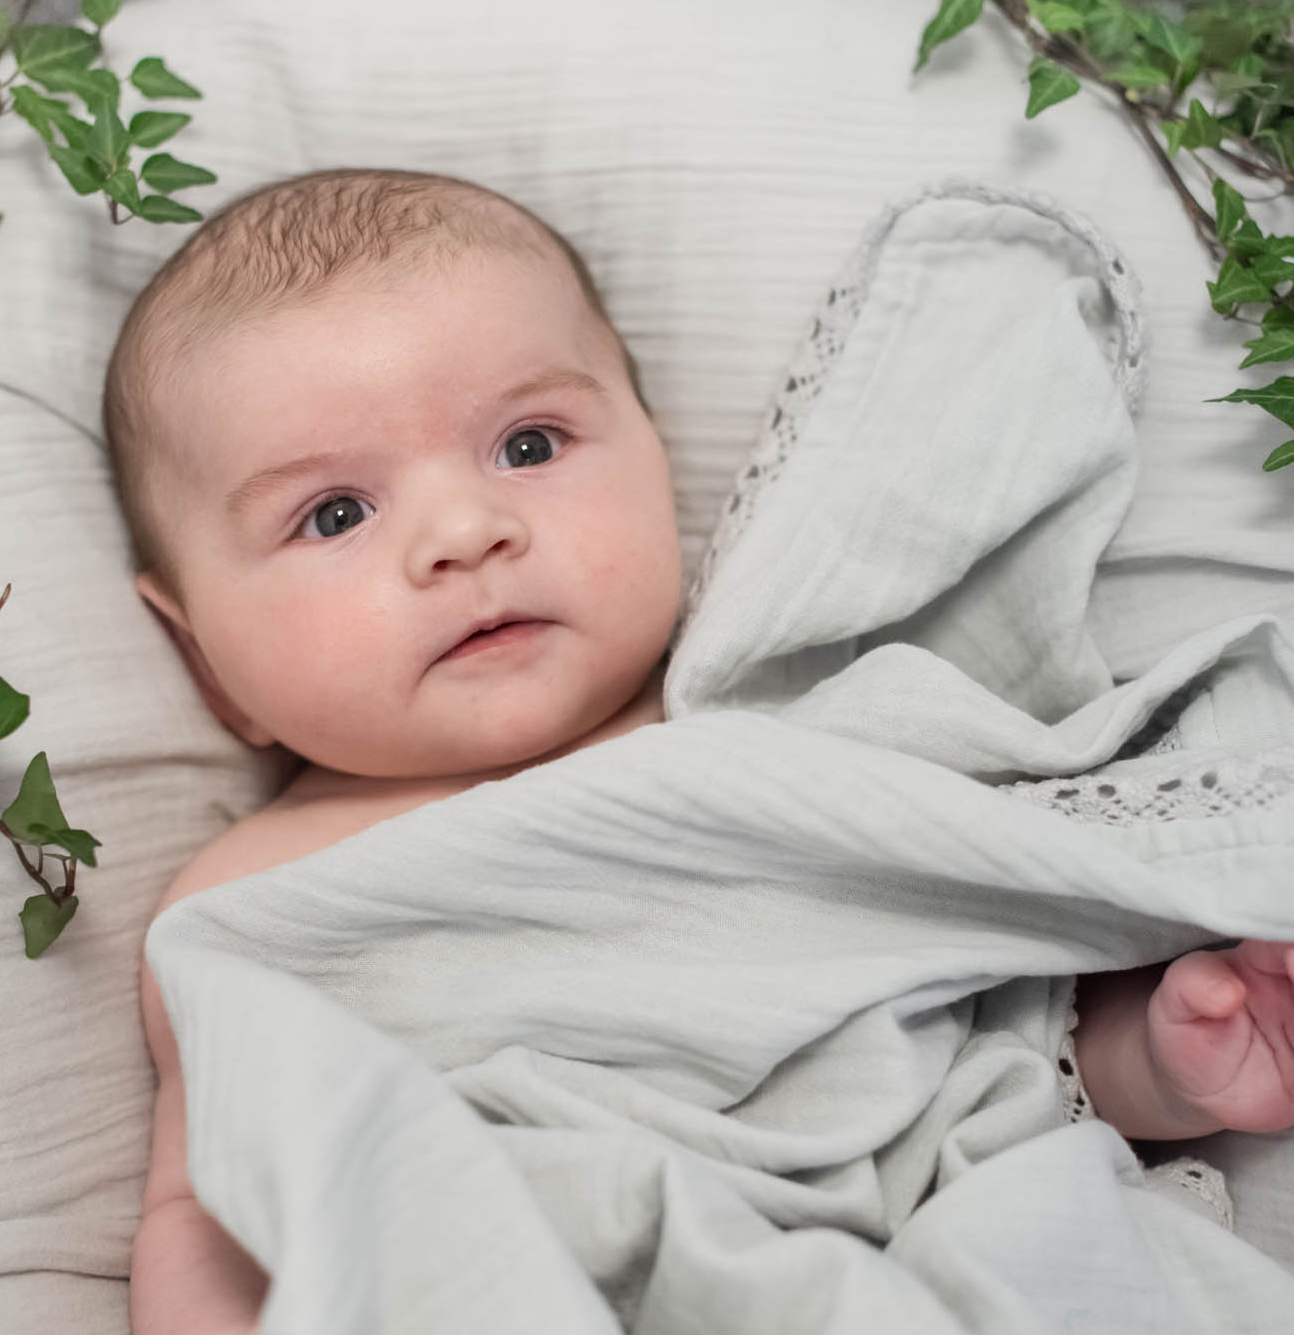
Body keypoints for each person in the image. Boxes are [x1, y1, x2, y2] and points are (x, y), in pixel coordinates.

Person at [105, 168, 1294, 1334]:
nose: (467, 533)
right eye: (335, 514)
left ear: (656, 457)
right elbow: (210, 1214)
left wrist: (1159, 1068)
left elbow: (991, 1057)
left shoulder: (784, 743)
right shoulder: (244, 911)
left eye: (529, 445)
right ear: (202, 653)